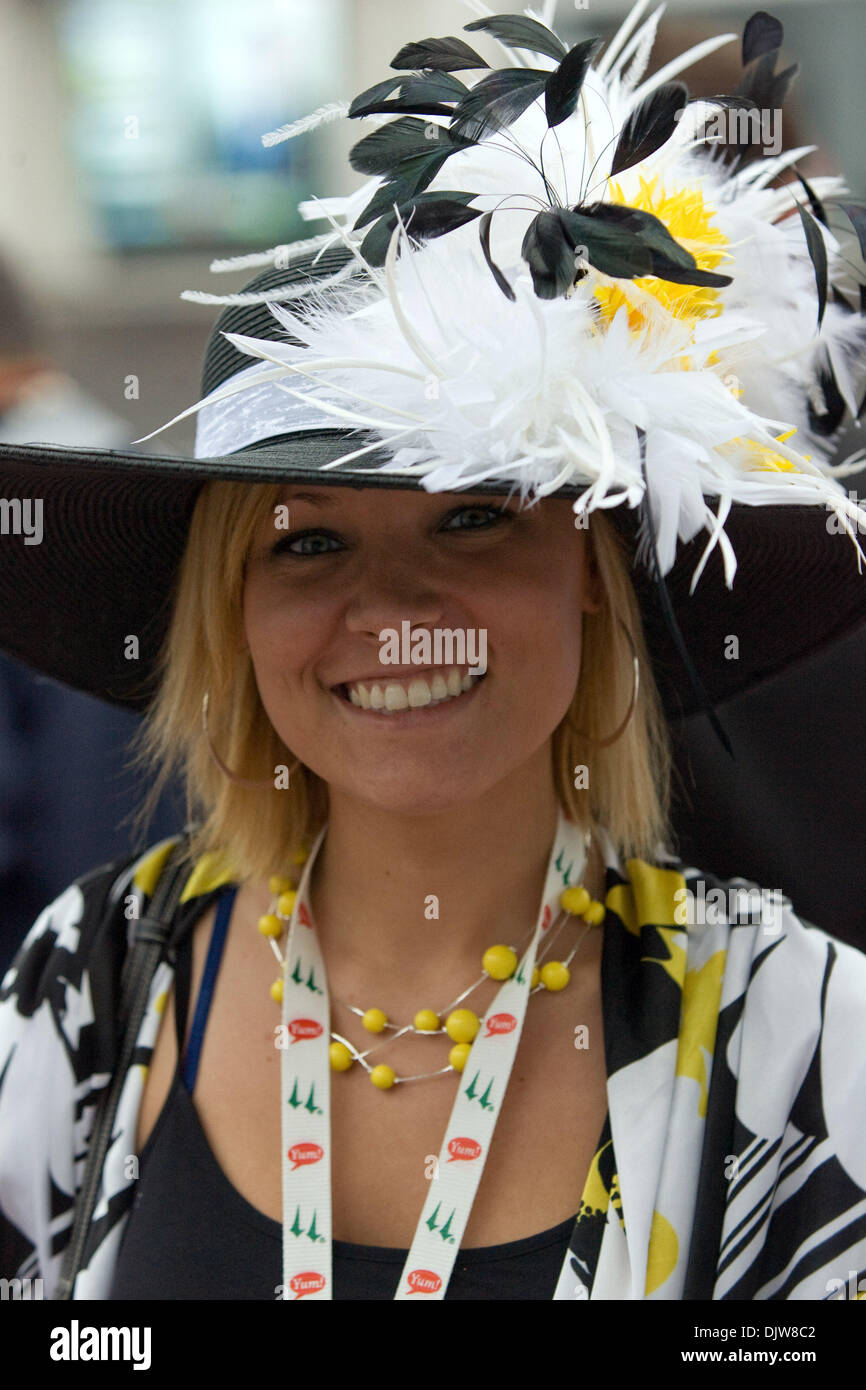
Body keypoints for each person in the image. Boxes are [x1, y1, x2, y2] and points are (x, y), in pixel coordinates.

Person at [1, 1, 866, 1303]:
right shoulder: (92, 982)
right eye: (305, 544)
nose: (395, 604)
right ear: (227, 616)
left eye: (473, 518)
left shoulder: (805, 1032)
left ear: (589, 572)